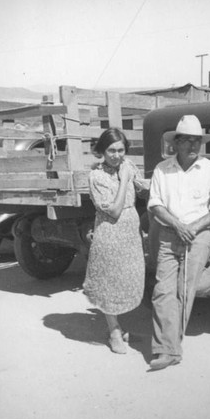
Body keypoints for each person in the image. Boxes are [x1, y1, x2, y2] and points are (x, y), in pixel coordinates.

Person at [147, 114, 210, 370]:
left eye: (198, 141)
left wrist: (191, 227)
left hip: (198, 236)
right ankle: (167, 349)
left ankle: (168, 349)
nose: (194, 146)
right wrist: (177, 225)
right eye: (188, 141)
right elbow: (156, 204)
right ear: (176, 143)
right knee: (163, 291)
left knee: (184, 291)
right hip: (169, 234)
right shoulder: (163, 169)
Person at [83, 128, 149, 354]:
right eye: (111, 150)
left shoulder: (127, 166)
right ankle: (114, 332)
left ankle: (121, 328)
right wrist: (124, 180)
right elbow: (114, 210)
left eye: (121, 150)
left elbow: (140, 190)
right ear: (102, 150)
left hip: (130, 233)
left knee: (126, 280)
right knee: (109, 283)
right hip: (109, 233)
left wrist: (145, 183)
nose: (116, 155)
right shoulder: (96, 176)